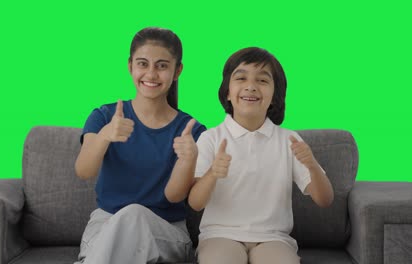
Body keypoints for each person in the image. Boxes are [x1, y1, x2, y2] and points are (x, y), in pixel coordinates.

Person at [188, 47, 334, 264]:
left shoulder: (289, 140)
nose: (251, 86)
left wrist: (312, 165)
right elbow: (195, 203)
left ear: (275, 96)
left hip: (273, 238)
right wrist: (213, 173)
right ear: (227, 91)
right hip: (219, 235)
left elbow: (325, 199)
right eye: (241, 78)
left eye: (262, 80)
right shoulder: (211, 138)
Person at [74, 27, 206, 264]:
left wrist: (188, 158)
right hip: (105, 224)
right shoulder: (103, 117)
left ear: (178, 71)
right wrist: (104, 136)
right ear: (130, 66)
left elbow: (175, 196)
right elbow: (84, 171)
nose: (151, 74)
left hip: (166, 231)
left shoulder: (191, 132)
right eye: (143, 64)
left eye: (162, 65)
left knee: (133, 214)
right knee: (126, 225)